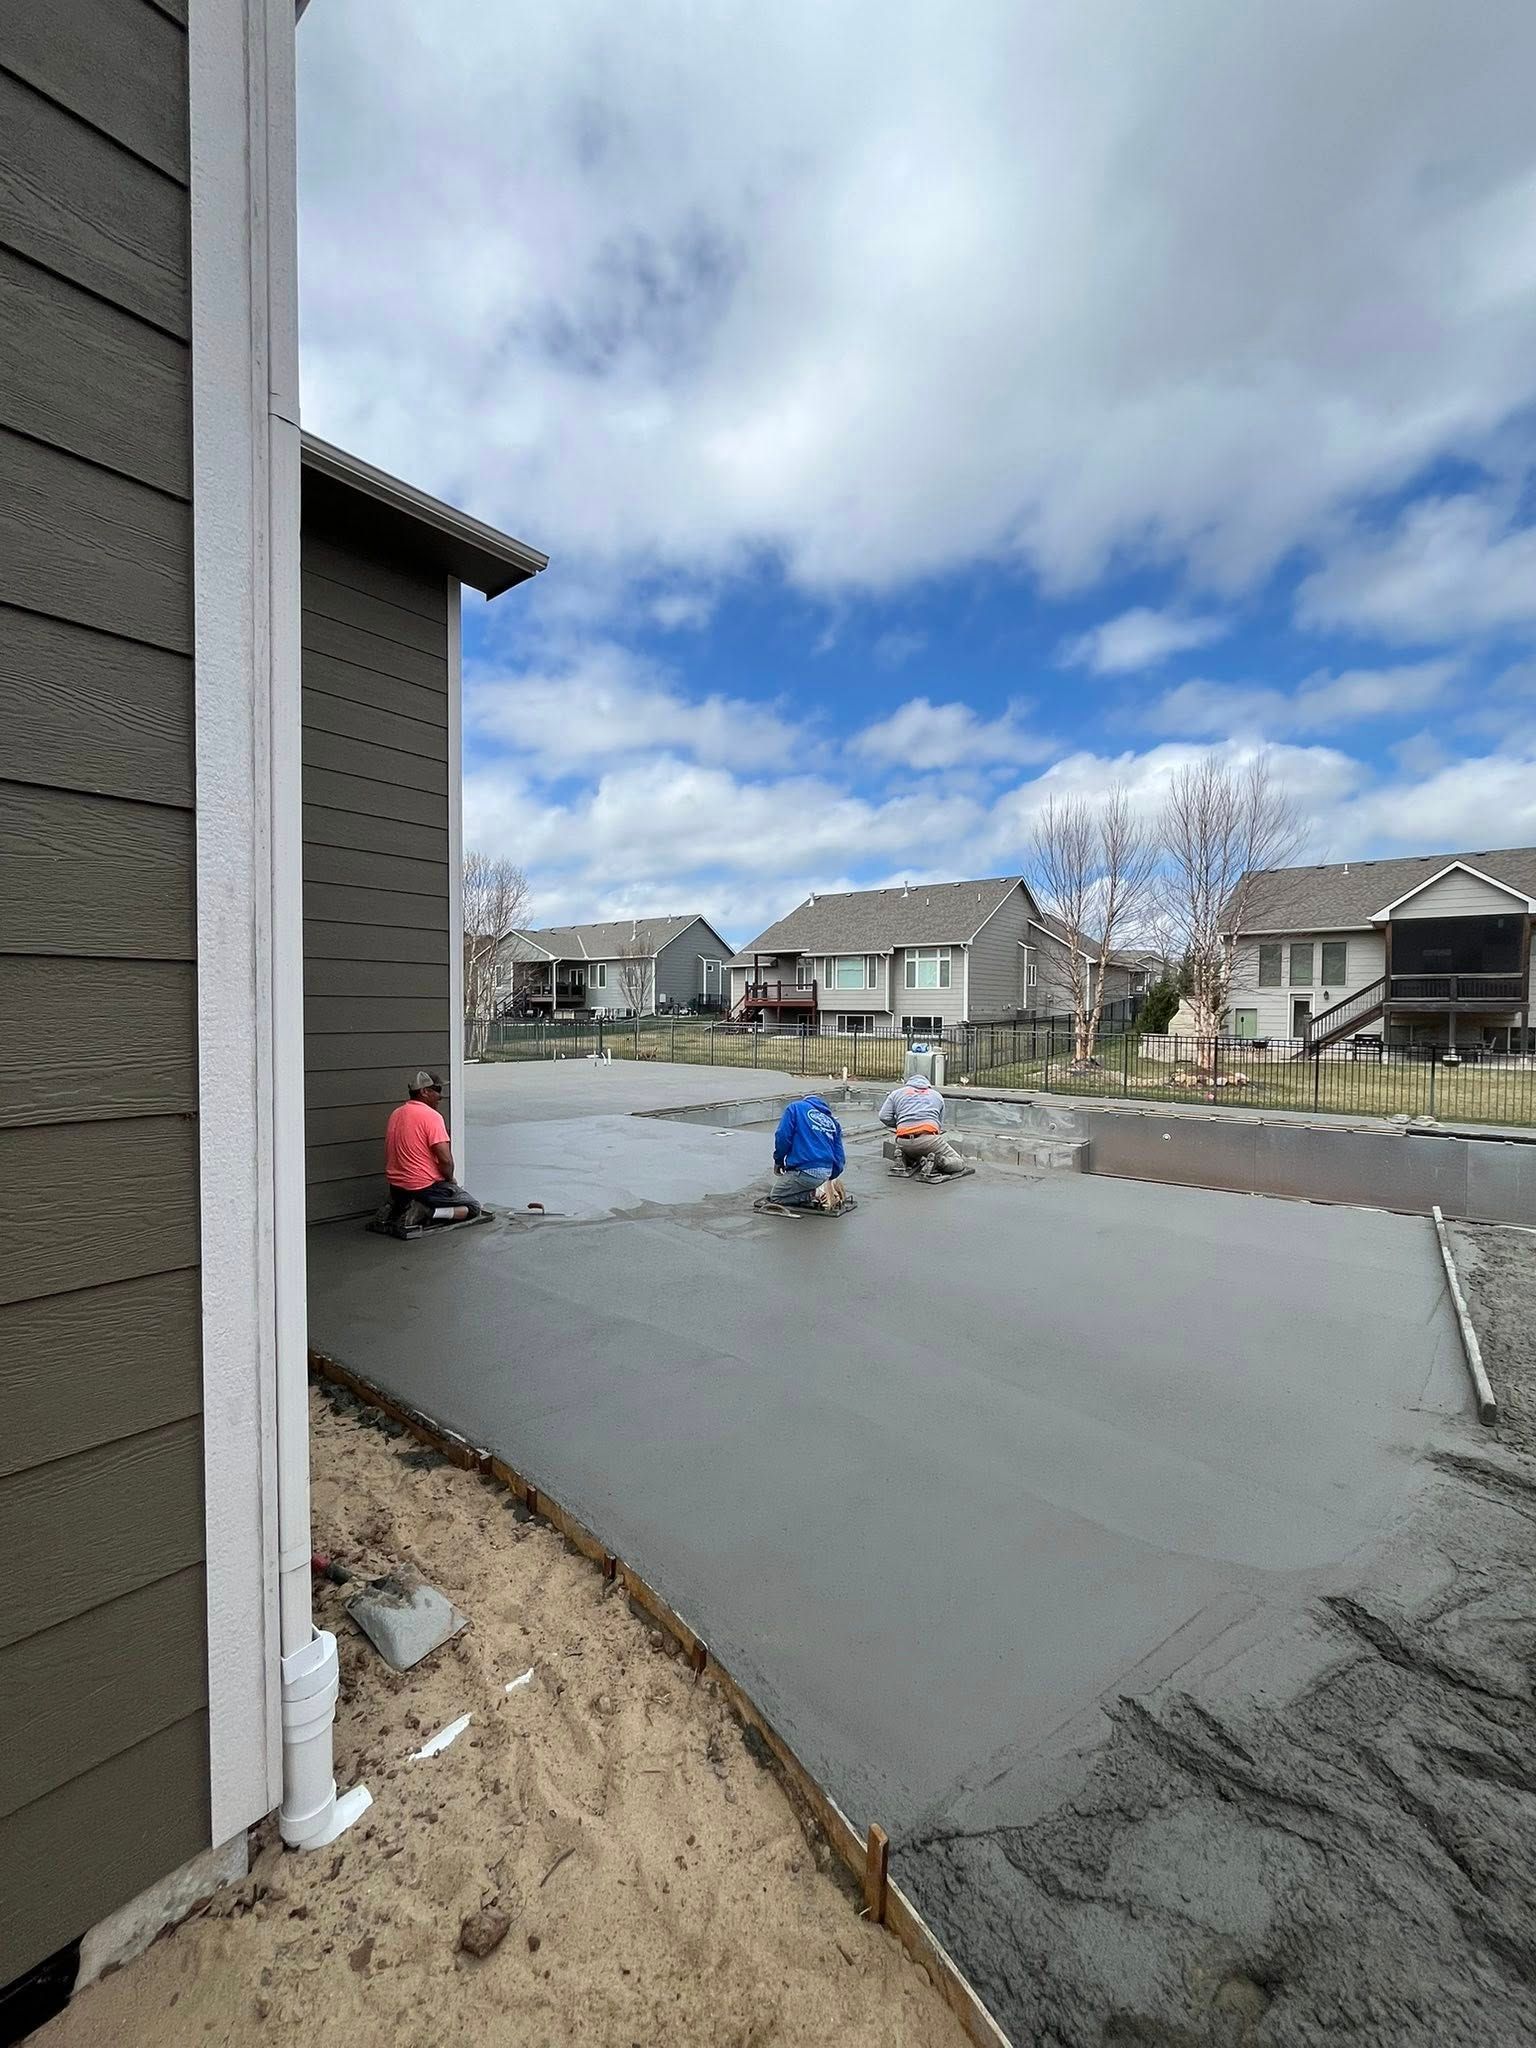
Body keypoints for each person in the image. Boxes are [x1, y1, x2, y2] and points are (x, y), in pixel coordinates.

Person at [383, 1070, 484, 1227]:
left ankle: (398, 1207)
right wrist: (450, 1181)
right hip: (422, 1188)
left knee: (412, 1196)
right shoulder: (431, 1116)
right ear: (424, 1091)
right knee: (472, 1208)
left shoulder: (396, 1113)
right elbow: (445, 1160)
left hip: (396, 1188)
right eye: (438, 1090)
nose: (441, 1096)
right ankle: (427, 1211)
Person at [878, 1073, 970, 1180]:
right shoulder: (936, 1095)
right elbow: (938, 1124)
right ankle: (938, 1161)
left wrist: (899, 1124)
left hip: (902, 1141)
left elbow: (883, 1116)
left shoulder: (896, 1094)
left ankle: (902, 1156)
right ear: (928, 1083)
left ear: (908, 1082)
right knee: (959, 1162)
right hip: (927, 1140)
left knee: (913, 1152)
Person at [767, 1094, 847, 1210]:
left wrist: (778, 1160)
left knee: (777, 1196)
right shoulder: (832, 1122)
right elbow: (839, 1154)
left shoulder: (796, 1108)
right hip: (826, 1171)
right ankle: (819, 1189)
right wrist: (831, 1176)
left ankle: (814, 1194)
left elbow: (783, 1136)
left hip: (805, 1169)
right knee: (803, 1183)